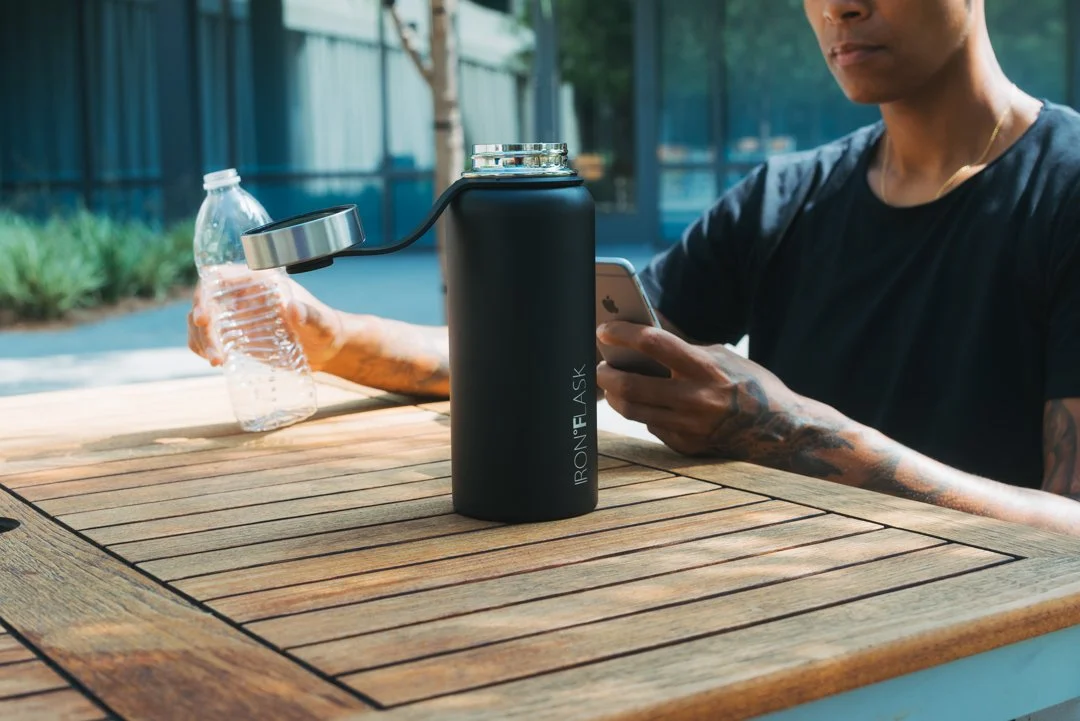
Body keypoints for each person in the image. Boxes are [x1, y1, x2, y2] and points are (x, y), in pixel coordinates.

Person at [189, 0, 1080, 537]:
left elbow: (1071, 531)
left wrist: (791, 431)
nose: (837, 7)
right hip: (785, 605)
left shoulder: (1066, 194)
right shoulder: (787, 199)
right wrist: (323, 333)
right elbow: (556, 357)